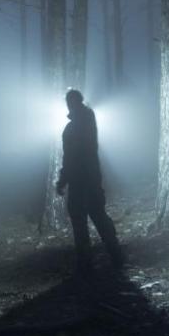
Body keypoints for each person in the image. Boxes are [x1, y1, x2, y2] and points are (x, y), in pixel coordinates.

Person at [55, 88, 124, 269]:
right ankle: (113, 254)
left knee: (82, 221)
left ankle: (87, 262)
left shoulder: (73, 128)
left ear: (73, 103)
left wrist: (63, 180)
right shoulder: (87, 121)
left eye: (70, 102)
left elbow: (70, 157)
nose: (69, 105)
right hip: (91, 178)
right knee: (96, 217)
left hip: (80, 181)